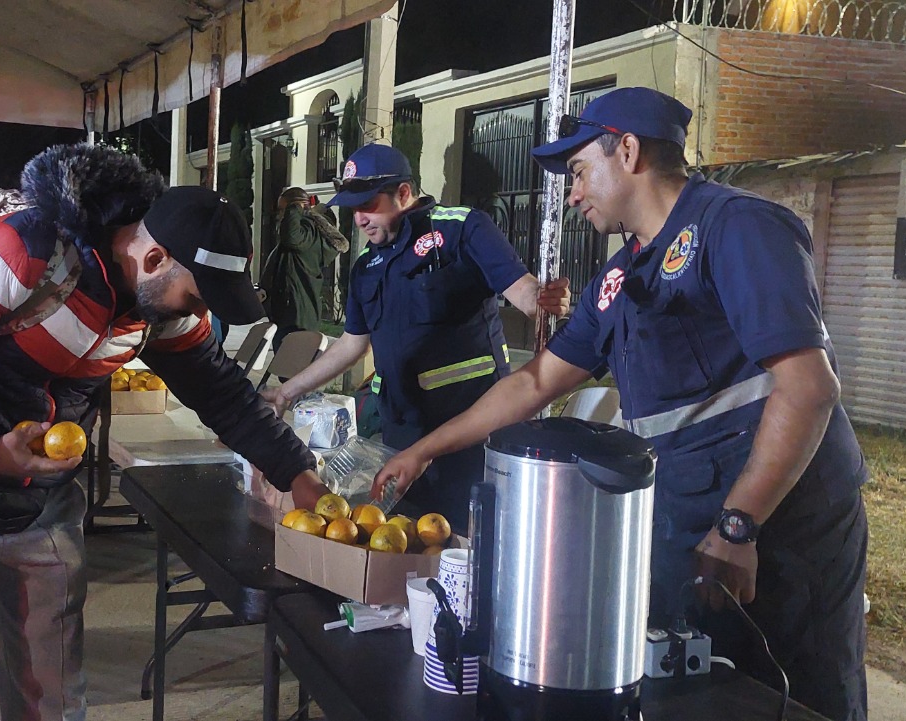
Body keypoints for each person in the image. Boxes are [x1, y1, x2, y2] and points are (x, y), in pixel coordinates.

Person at [372, 87, 869, 721]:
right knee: (700, 693)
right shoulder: (620, 276)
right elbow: (533, 384)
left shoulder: (737, 228)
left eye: (578, 171)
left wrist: (739, 524)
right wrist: (421, 451)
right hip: (687, 517)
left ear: (627, 150)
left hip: (783, 525)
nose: (572, 193)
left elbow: (808, 387)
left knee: (798, 696)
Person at [0, 144, 331, 721]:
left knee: (54, 702)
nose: (198, 310)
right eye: (197, 292)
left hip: (44, 505)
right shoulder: (21, 251)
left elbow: (222, 393)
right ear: (155, 260)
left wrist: (296, 472)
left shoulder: (160, 307)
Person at [261, 143, 571, 530]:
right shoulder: (366, 268)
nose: (358, 219)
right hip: (400, 438)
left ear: (404, 193)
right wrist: (286, 393)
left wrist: (542, 299)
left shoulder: (460, 229)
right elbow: (352, 344)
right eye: (353, 209)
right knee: (405, 543)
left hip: (470, 436)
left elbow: (523, 291)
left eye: (368, 205)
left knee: (466, 545)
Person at [260, 186, 348, 348]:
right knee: (287, 368)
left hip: (297, 316)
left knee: (292, 369)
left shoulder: (308, 231)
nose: (281, 216)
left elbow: (291, 237)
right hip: (290, 313)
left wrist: (295, 206)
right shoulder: (304, 235)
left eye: (283, 210)